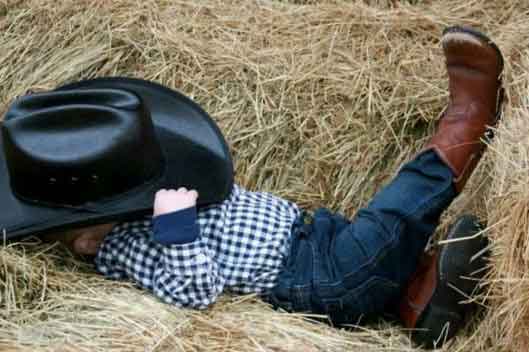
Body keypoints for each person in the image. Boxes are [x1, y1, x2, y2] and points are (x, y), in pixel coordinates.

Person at [12, 26, 505, 348]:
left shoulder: (140, 191)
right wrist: (177, 230)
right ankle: (464, 126)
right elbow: (193, 292)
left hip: (312, 237)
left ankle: (420, 303)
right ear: (88, 239)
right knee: (391, 219)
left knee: (383, 252)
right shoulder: (122, 249)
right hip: (320, 279)